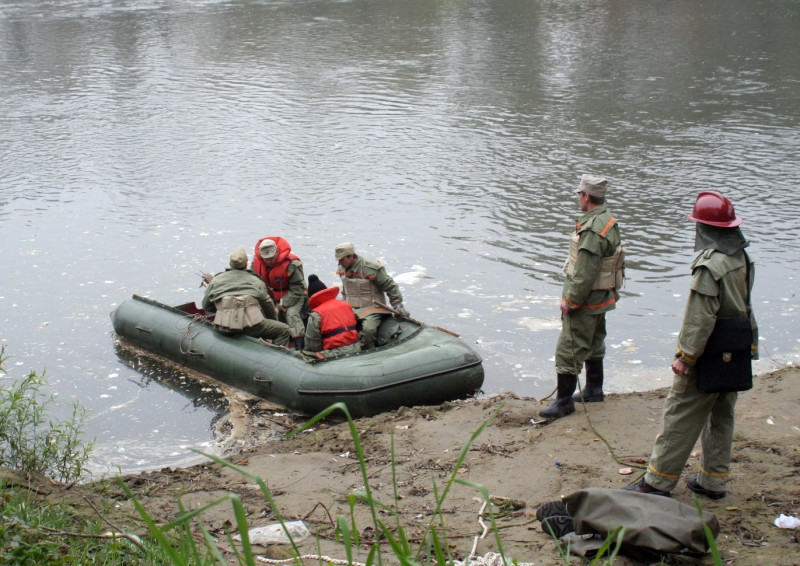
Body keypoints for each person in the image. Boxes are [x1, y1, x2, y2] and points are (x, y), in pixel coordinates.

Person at [623, 191, 758, 499]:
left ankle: (657, 482)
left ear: (705, 228)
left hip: (709, 352)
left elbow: (700, 319)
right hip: (736, 349)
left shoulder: (710, 266)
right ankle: (713, 482)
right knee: (722, 415)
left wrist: (685, 357)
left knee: (680, 412)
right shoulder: (742, 257)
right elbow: (746, 307)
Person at [540, 174, 625, 420]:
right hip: (603, 298)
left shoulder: (592, 229)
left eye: (579, 194)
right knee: (595, 342)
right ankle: (594, 389)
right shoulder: (608, 220)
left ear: (586, 196)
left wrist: (571, 301)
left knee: (570, 347)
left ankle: (564, 402)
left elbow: (586, 272)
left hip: (587, 301)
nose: (578, 198)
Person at [201, 247, 291, 347]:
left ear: (230, 264)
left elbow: (206, 306)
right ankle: (274, 359)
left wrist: (224, 309)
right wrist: (273, 321)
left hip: (223, 327)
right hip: (250, 328)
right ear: (246, 264)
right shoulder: (256, 281)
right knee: (284, 330)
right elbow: (267, 305)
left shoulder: (216, 280)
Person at [334, 242, 409, 349]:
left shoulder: (371, 269)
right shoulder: (342, 269)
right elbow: (345, 289)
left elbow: (390, 286)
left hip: (372, 308)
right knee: (336, 326)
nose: (340, 263)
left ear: (350, 256)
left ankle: (368, 352)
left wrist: (398, 305)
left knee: (369, 330)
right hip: (351, 307)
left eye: (342, 260)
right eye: (338, 260)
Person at [252, 236, 308, 350]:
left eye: (271, 258)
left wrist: (281, 306)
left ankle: (300, 347)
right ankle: (265, 340)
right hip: (271, 295)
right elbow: (253, 282)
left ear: (277, 252)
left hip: (294, 295)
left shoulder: (292, 264)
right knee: (258, 311)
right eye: (266, 259)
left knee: (292, 315)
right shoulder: (256, 264)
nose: (269, 261)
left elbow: (297, 288)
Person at [303, 274, 361, 358]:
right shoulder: (346, 305)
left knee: (306, 355)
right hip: (357, 348)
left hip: (335, 354)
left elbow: (312, 346)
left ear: (311, 297)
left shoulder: (316, 314)